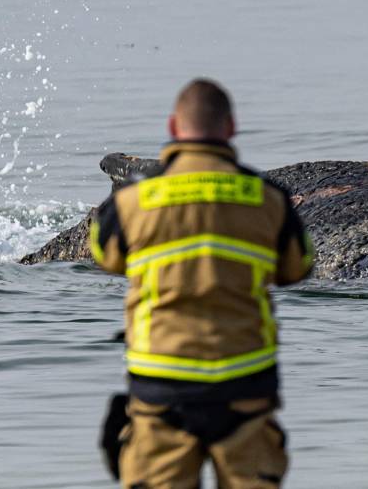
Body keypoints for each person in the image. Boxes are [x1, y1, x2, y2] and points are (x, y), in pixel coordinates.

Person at [91, 78, 313, 489]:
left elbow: (106, 257)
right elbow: (297, 269)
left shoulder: (135, 201)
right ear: (231, 127)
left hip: (162, 384)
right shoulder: (267, 197)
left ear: (174, 127)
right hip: (244, 384)